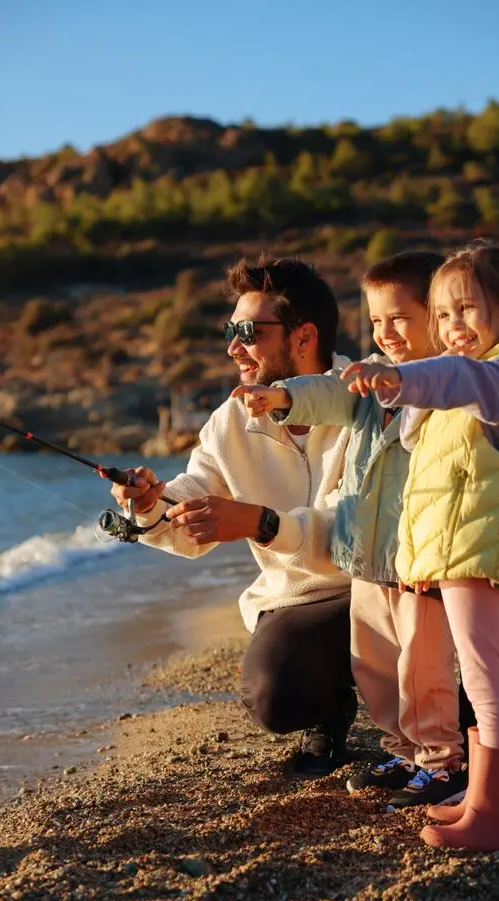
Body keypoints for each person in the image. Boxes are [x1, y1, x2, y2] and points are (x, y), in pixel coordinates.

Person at [339, 239, 499, 850]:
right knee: (480, 675)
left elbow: (457, 377)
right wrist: (420, 563)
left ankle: (494, 816)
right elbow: (431, 487)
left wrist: (396, 377)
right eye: (443, 315)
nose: (453, 327)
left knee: (484, 679)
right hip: (457, 556)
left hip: (481, 555)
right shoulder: (479, 383)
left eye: (467, 309)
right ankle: (479, 798)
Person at [234, 251, 468, 812]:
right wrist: (285, 397)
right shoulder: (365, 378)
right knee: (373, 664)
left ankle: (441, 761)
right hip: (364, 560)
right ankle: (402, 750)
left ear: (436, 320)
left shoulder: (445, 385)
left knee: (423, 666)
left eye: (400, 320)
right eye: (378, 321)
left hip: (417, 562)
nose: (386, 333)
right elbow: (331, 392)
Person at [110, 256, 355, 777]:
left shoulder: (366, 401)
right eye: (230, 330)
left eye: (247, 332)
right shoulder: (231, 420)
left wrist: (262, 523)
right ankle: (330, 708)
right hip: (297, 602)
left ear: (304, 335)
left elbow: (354, 531)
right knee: (273, 696)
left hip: (379, 589)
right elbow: (192, 505)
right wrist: (150, 502)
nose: (232, 347)